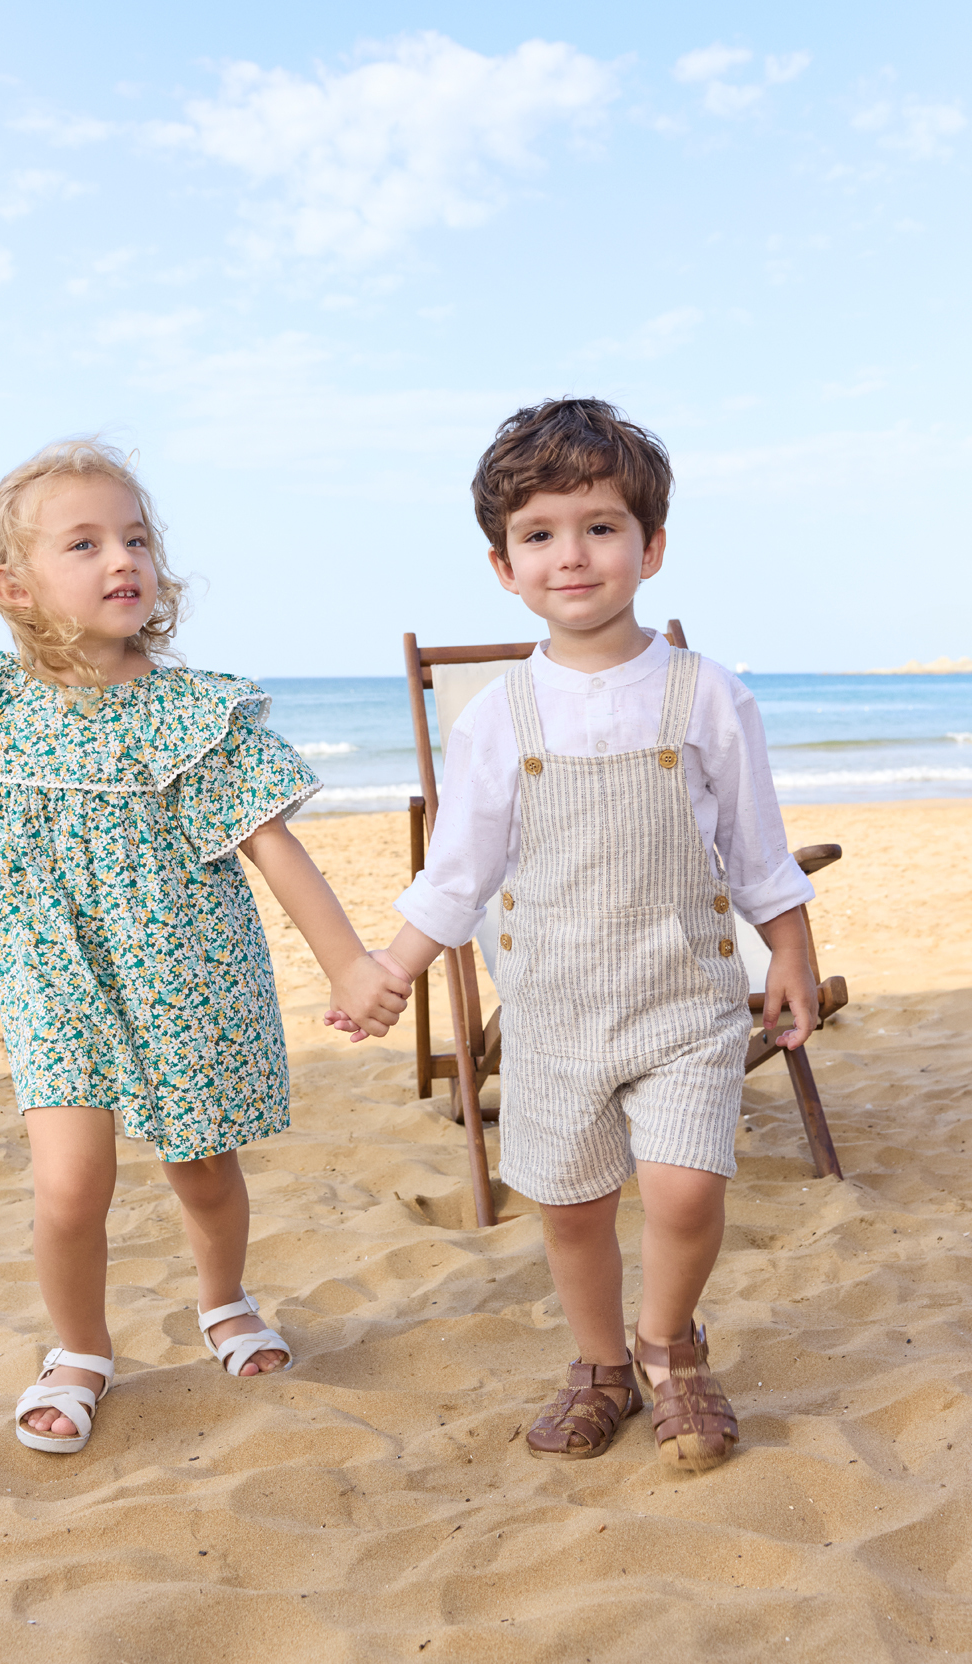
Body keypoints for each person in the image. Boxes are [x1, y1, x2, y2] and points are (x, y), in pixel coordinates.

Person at [0, 438, 409, 1455]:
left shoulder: (192, 712)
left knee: (203, 1169)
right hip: (55, 975)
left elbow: (271, 843)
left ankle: (223, 1297)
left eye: (136, 537)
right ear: (14, 587)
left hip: (186, 972)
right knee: (71, 1185)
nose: (123, 558)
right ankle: (78, 1349)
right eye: (85, 543)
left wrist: (347, 961)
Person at [332, 398, 817, 1472]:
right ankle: (600, 1363)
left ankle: (670, 1344)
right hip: (553, 1012)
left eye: (600, 526)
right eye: (539, 534)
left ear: (651, 546)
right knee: (572, 1205)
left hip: (685, 1000)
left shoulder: (709, 695)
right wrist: (388, 972)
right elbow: (458, 873)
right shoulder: (498, 717)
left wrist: (790, 951)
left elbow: (755, 848)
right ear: (503, 566)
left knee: (686, 1186)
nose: (572, 554)